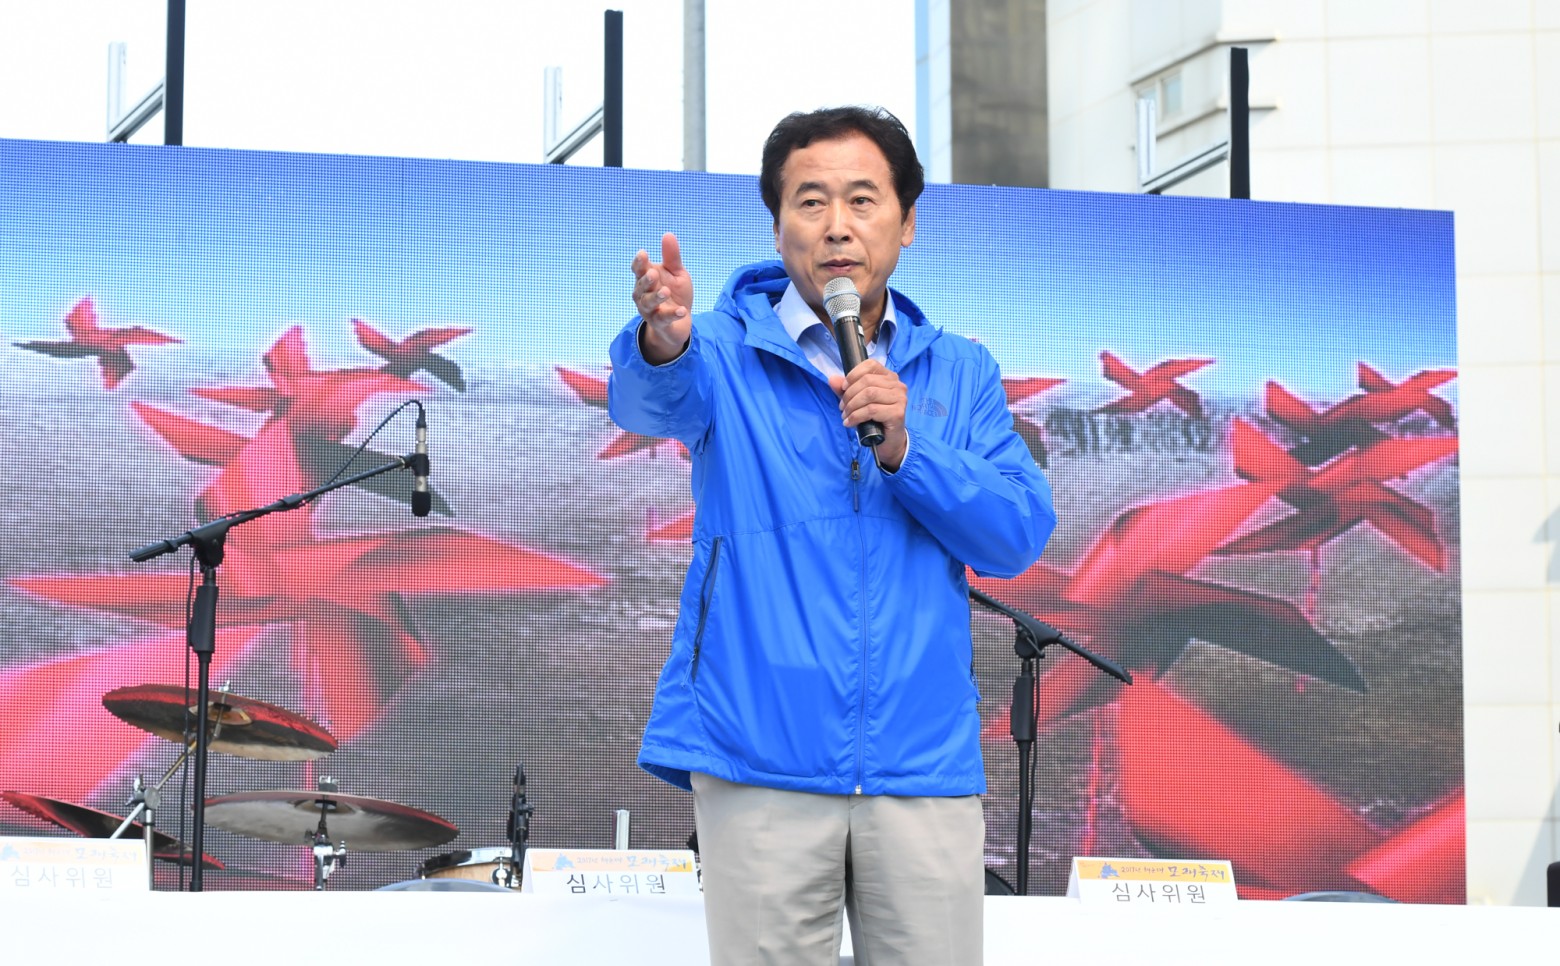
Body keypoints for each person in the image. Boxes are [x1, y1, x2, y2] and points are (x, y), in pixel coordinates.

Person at [608, 105, 1056, 966]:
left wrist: (908, 450)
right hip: (758, 756)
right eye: (810, 201)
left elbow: (1014, 535)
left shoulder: (960, 371)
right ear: (777, 226)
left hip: (921, 767)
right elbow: (647, 403)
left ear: (907, 222)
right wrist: (660, 345)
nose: (838, 226)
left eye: (862, 199)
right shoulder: (720, 350)